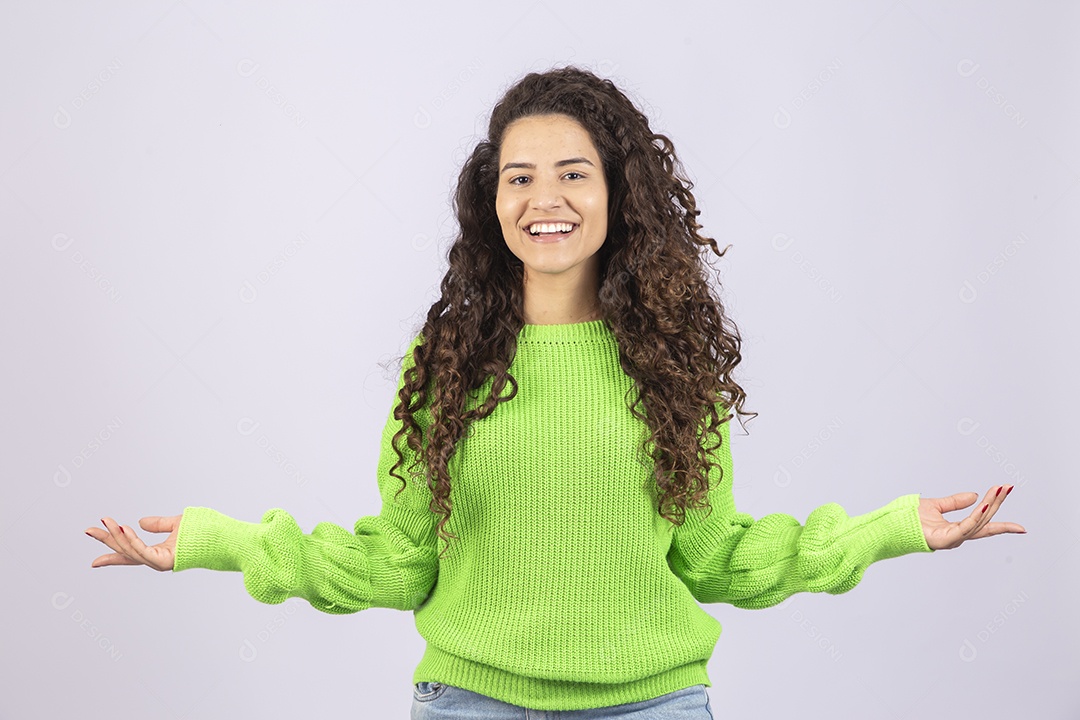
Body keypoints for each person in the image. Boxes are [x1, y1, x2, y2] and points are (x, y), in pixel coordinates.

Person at [85, 65, 1025, 719]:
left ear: (619, 195)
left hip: (654, 706)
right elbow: (397, 563)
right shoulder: (448, 358)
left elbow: (719, 558)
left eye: (574, 173)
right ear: (490, 202)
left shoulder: (668, 365)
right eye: (518, 177)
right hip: (468, 703)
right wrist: (218, 543)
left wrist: (897, 528)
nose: (546, 197)